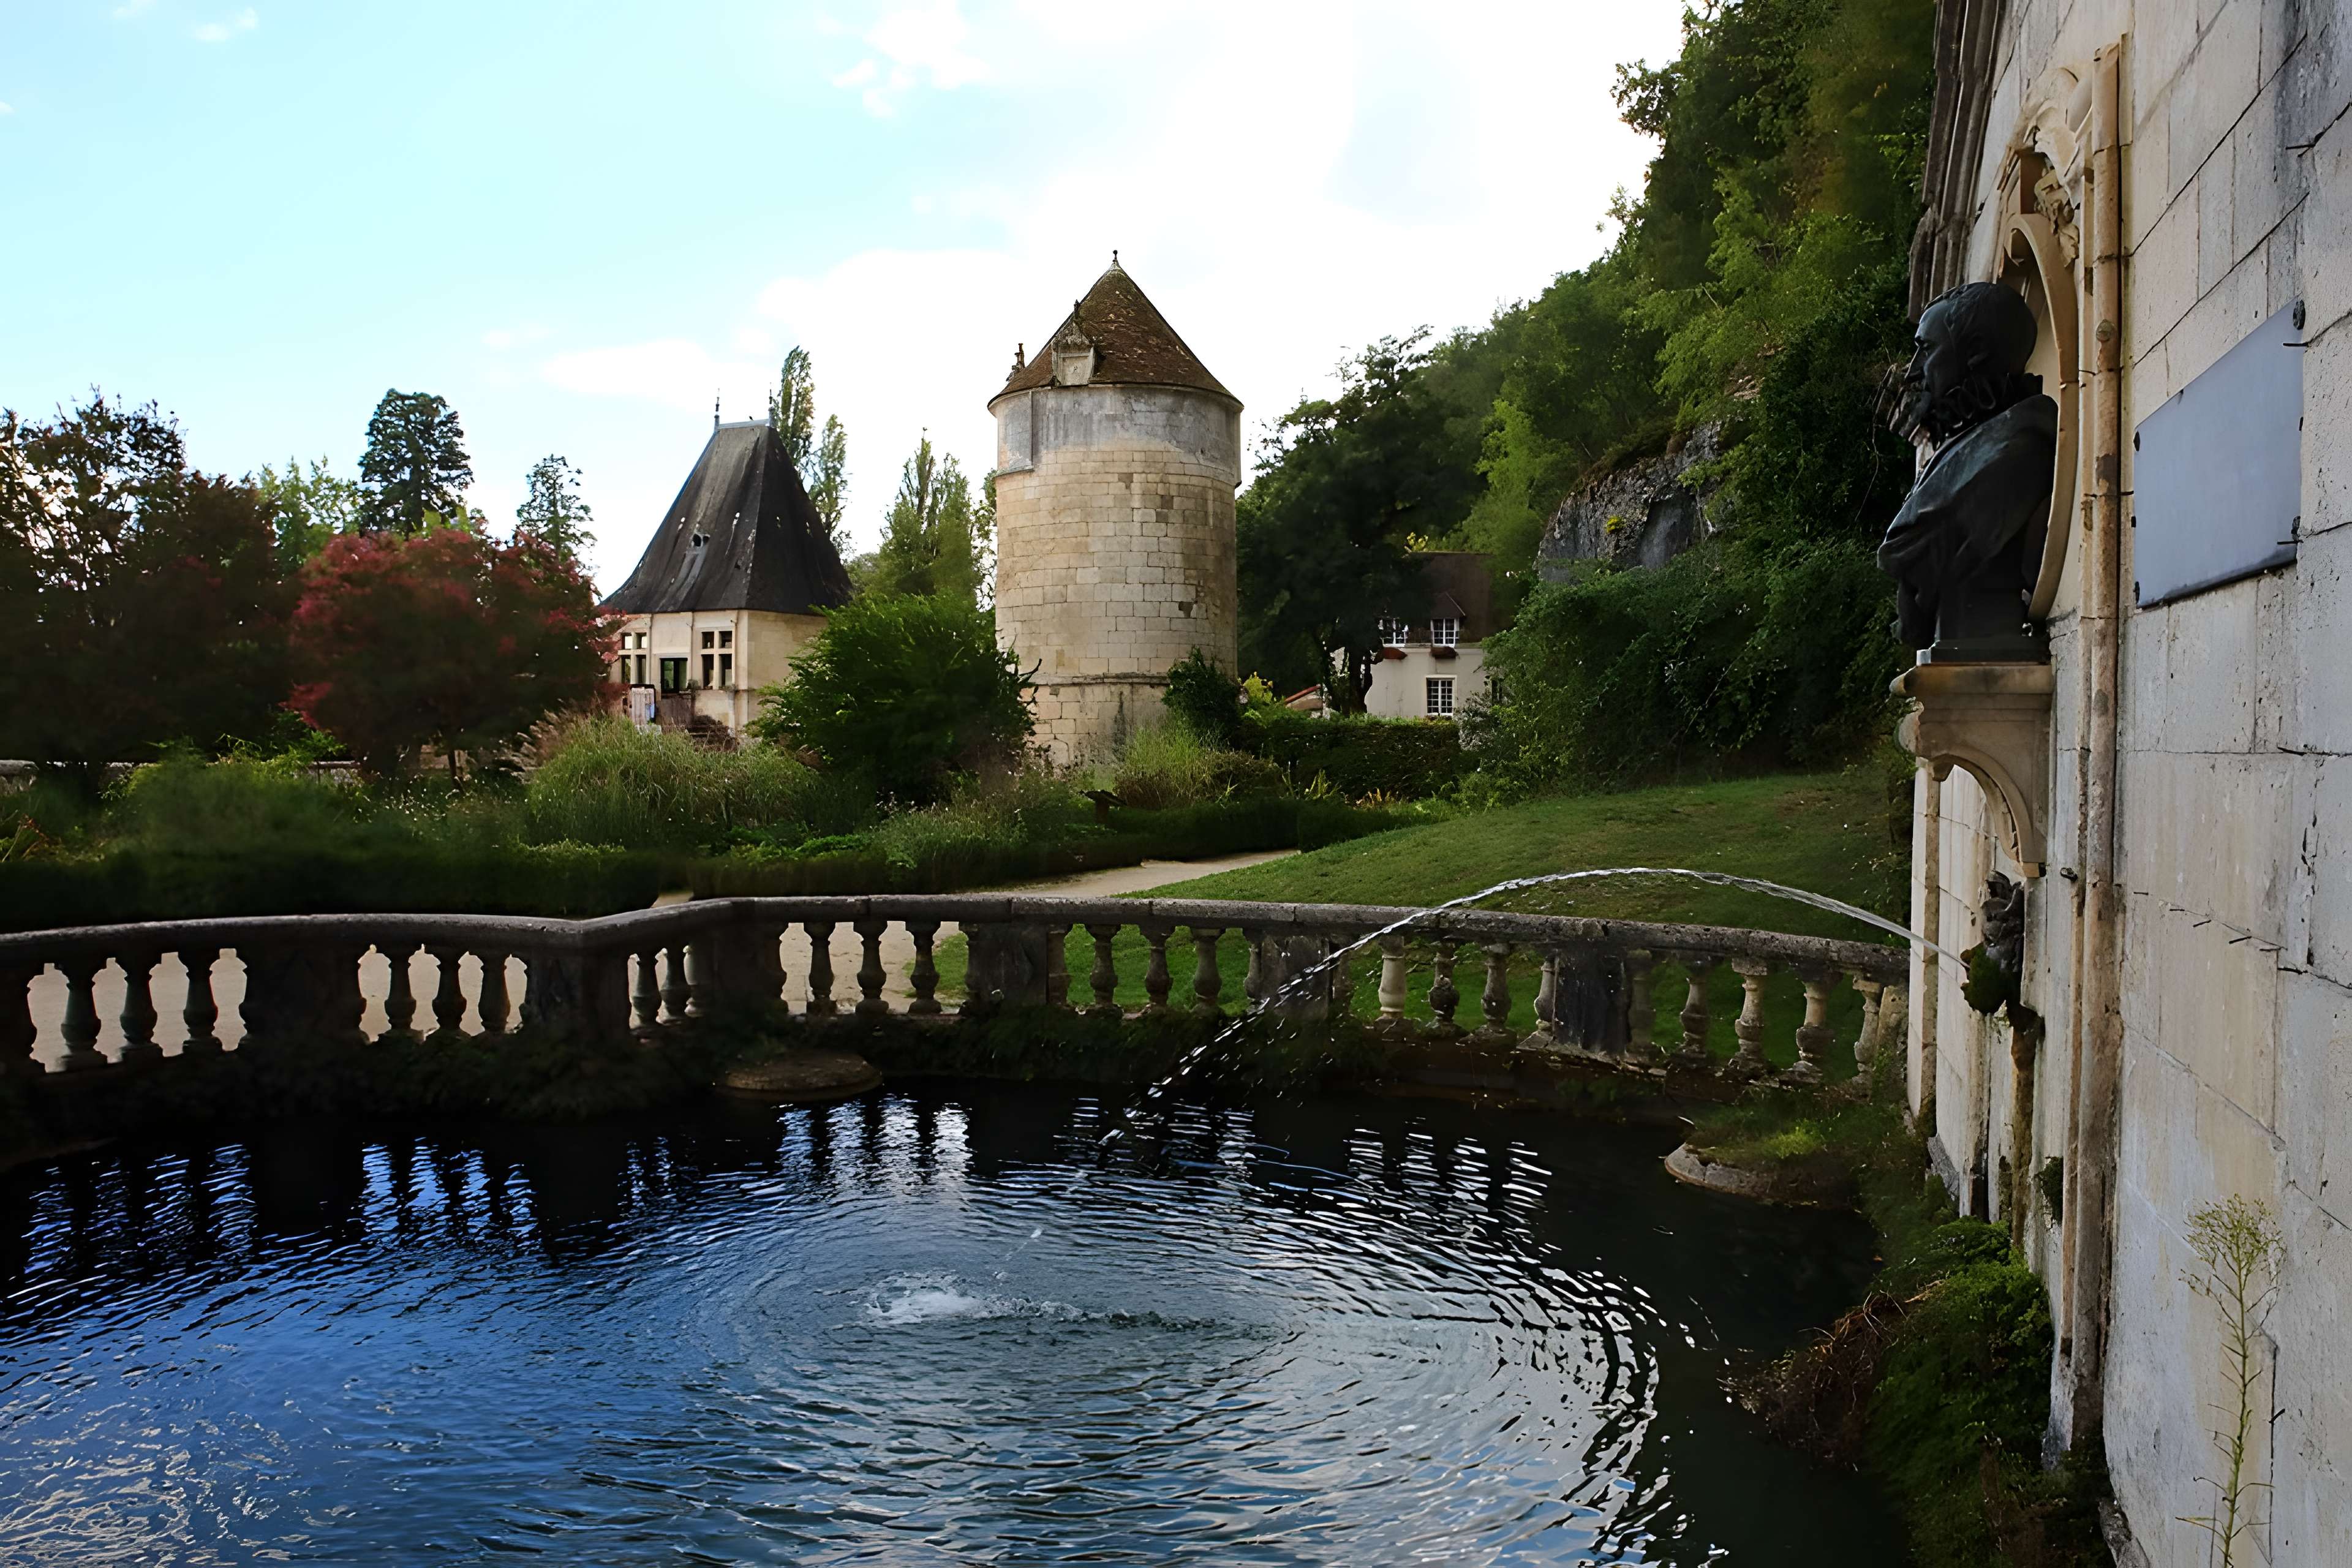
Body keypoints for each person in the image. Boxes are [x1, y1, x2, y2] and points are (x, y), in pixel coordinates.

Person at [1877, 281, 2059, 659]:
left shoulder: (2018, 447)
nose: (1913, 373)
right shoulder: (1969, 442)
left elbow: (1904, 550)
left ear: (1975, 353)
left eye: (1927, 350)